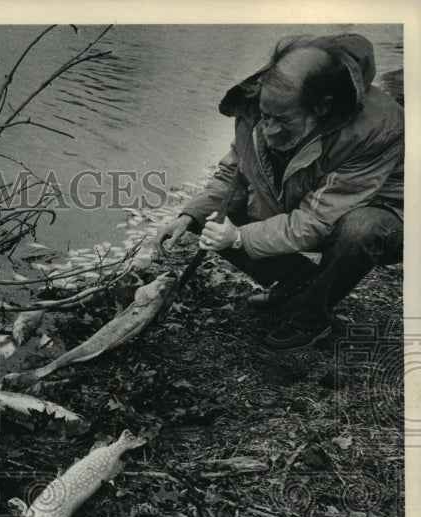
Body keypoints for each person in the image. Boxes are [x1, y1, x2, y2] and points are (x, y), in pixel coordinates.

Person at [156, 34, 404, 352]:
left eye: (282, 120)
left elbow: (317, 218)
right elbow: (235, 173)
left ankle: (311, 317)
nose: (268, 129)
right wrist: (189, 215)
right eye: (265, 116)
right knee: (213, 219)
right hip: (314, 199)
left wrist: (238, 238)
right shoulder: (259, 105)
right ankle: (295, 282)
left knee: (359, 229)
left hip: (387, 211)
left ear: (323, 106)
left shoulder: (378, 128)